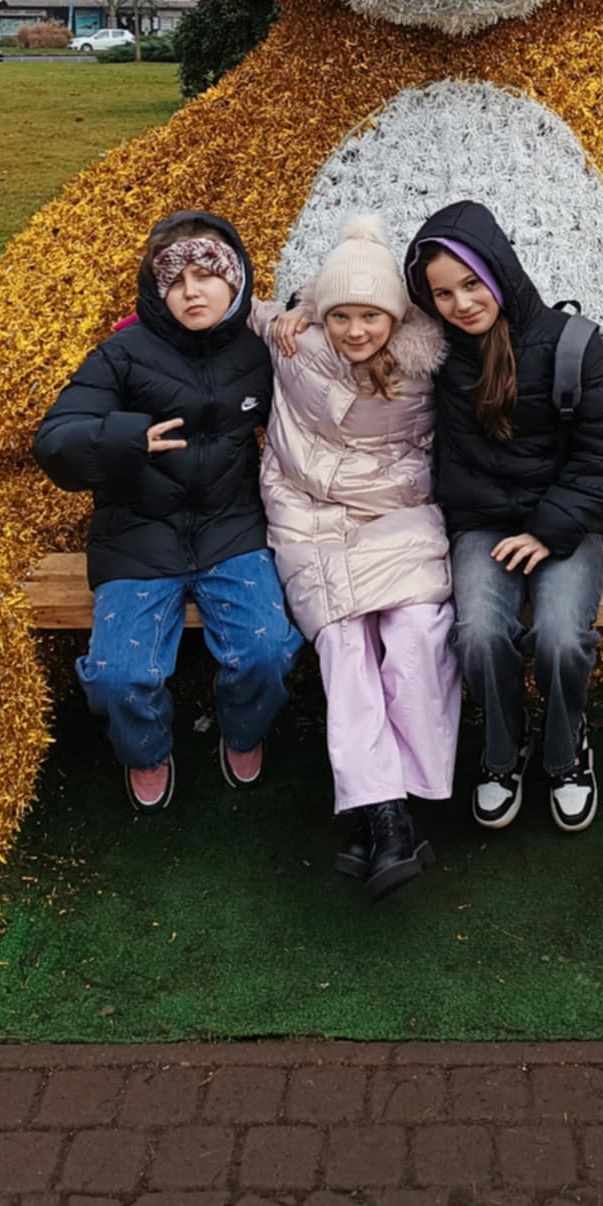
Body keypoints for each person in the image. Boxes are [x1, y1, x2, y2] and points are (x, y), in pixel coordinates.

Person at [33, 211, 301, 813]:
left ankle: (243, 732)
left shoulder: (259, 351)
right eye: (175, 281)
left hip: (232, 531)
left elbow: (329, 378)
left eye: (206, 276)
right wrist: (126, 439)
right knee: (117, 675)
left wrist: (302, 312)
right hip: (137, 536)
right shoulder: (121, 353)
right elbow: (55, 441)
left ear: (235, 280)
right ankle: (147, 750)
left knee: (268, 653)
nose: (191, 292)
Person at [403, 201, 603, 835]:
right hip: (482, 525)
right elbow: (353, 321)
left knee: (560, 638)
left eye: (471, 283)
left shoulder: (571, 345)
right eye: (442, 294)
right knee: (478, 634)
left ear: (500, 269)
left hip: (563, 524)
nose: (461, 304)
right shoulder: (434, 352)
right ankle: (503, 751)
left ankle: (565, 752)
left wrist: (548, 530)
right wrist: (295, 315)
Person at [260, 215, 458, 899]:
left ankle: (403, 795)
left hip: (397, 513)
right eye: (340, 314)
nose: (354, 330)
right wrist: (293, 309)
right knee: (343, 643)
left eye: (370, 315)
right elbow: (243, 309)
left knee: (418, 631)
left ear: (394, 316)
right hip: (310, 517)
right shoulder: (298, 344)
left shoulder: (425, 364)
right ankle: (387, 817)